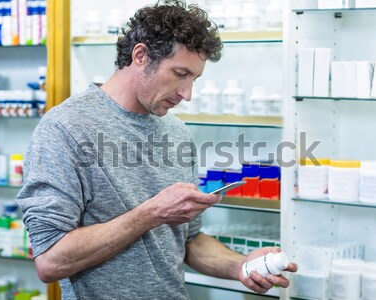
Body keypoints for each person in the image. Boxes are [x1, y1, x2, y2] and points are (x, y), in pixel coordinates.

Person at [16, 1, 297, 299]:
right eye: (179, 73)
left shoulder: (176, 132)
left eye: (194, 79)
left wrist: (241, 265)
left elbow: (190, 241)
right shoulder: (65, 128)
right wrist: (152, 213)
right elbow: (49, 260)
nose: (187, 94)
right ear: (141, 55)